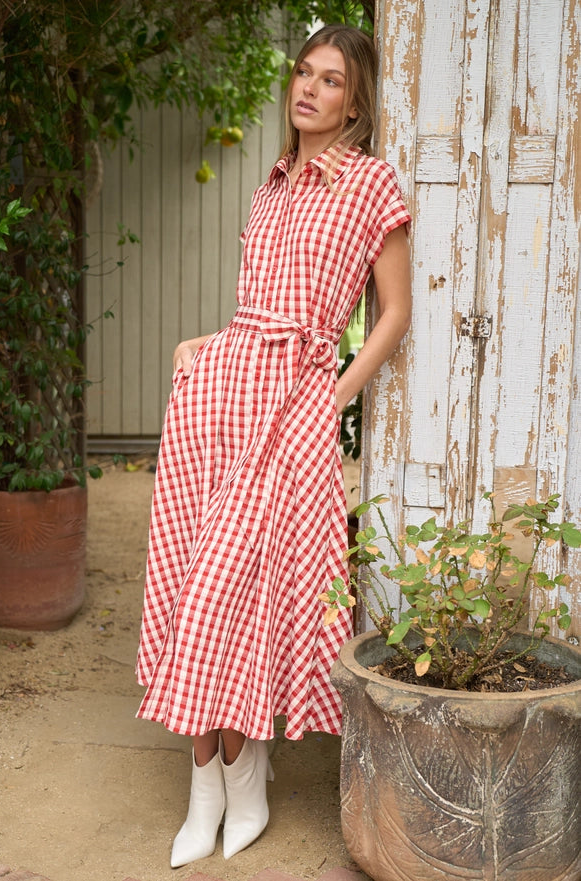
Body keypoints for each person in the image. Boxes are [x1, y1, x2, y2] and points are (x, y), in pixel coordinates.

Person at [136, 23, 412, 868]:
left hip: (294, 399)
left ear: (355, 102)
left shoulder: (369, 185)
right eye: (303, 73)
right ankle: (211, 777)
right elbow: (256, 306)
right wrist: (201, 345)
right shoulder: (271, 186)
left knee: (239, 587)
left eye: (331, 81)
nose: (309, 89)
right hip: (222, 389)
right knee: (189, 574)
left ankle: (242, 767)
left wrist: (327, 396)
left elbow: (391, 315)